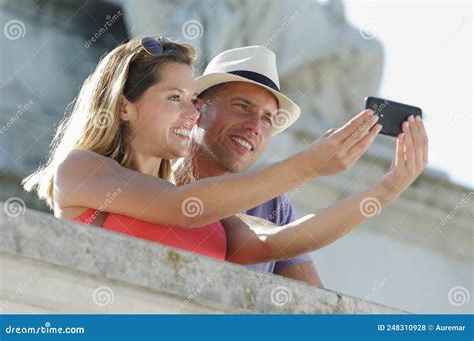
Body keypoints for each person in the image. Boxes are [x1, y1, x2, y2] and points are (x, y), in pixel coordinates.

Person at [23, 37, 428, 269]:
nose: (191, 110)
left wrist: (389, 187)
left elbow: (283, 239)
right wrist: (309, 164)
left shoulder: (204, 209)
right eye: (176, 97)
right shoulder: (79, 169)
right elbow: (181, 206)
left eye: (193, 99)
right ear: (124, 105)